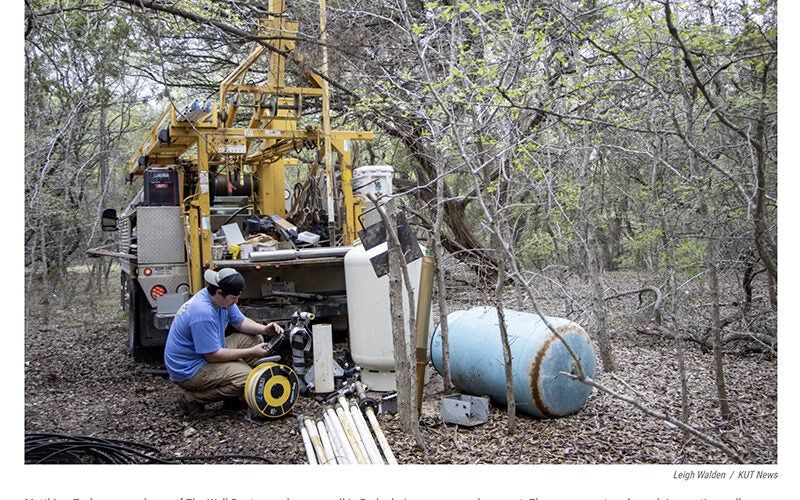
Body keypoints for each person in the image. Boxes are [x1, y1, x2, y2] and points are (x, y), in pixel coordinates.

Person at [164, 267, 284, 417]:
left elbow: (240, 322)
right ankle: (192, 399)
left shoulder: (220, 300)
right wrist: (252, 352)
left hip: (205, 352)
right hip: (189, 369)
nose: (236, 301)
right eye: (233, 298)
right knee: (247, 378)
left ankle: (232, 397)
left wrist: (265, 330)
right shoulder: (202, 313)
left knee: (255, 339)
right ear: (219, 292)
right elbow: (213, 356)